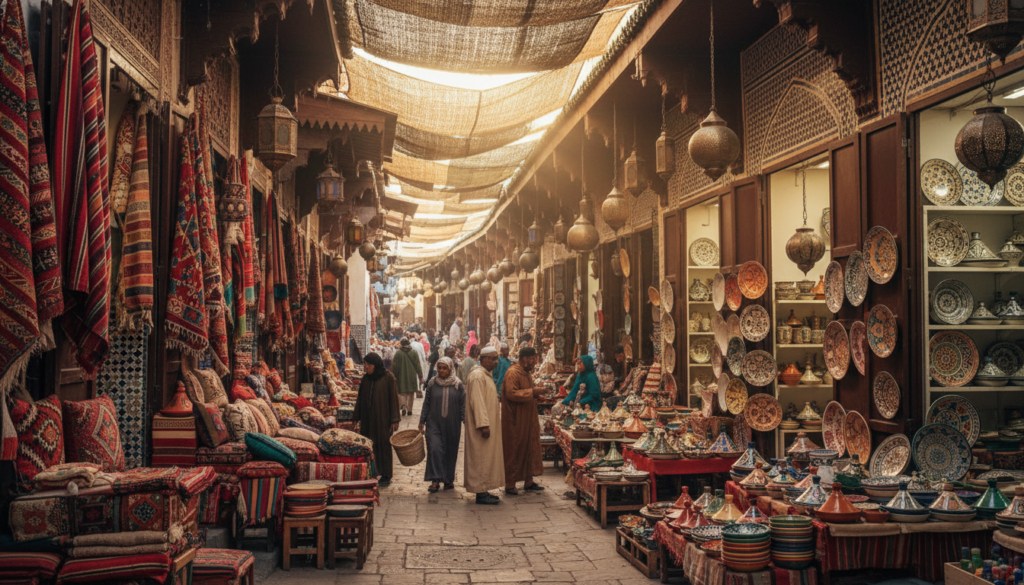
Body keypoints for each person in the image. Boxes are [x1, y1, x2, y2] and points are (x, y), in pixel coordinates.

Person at [500, 346, 545, 495]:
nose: (534, 362)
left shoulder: (526, 372)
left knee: (529, 445)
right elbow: (511, 393)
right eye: (532, 359)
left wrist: (536, 392)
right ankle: (510, 484)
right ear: (524, 359)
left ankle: (529, 480)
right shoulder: (513, 373)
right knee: (515, 448)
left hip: (528, 415)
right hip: (516, 419)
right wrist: (533, 392)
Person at [418, 357, 465, 493]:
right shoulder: (433, 383)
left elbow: (463, 405)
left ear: (450, 369)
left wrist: (466, 420)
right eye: (439, 368)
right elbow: (426, 403)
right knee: (434, 449)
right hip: (434, 423)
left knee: (450, 451)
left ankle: (448, 480)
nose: (441, 370)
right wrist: (422, 420)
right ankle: (435, 480)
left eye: (444, 368)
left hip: (452, 424)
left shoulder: (457, 384)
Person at [464, 347, 505, 505]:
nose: (496, 362)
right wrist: (483, 425)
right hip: (481, 428)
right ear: (483, 358)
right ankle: (481, 493)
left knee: (486, 458)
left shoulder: (484, 375)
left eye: (497, 359)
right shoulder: (477, 376)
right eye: (493, 359)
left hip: (486, 425)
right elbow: (478, 402)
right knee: (480, 458)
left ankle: (484, 490)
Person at [353, 353, 399, 487]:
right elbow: (360, 398)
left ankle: (385, 474)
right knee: (368, 444)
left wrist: (394, 420)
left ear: (376, 365)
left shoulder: (388, 377)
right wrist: (356, 416)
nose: (366, 367)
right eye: (365, 364)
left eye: (369, 365)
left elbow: (394, 399)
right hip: (367, 419)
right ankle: (371, 472)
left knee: (383, 445)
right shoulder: (366, 379)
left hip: (383, 418)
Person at [391, 338, 422, 416]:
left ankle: (403, 407)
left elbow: (394, 366)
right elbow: (417, 365)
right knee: (411, 393)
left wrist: (393, 375)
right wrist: (420, 375)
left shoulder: (398, 353)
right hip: (412, 374)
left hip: (401, 375)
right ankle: (410, 410)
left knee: (402, 392)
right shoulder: (414, 352)